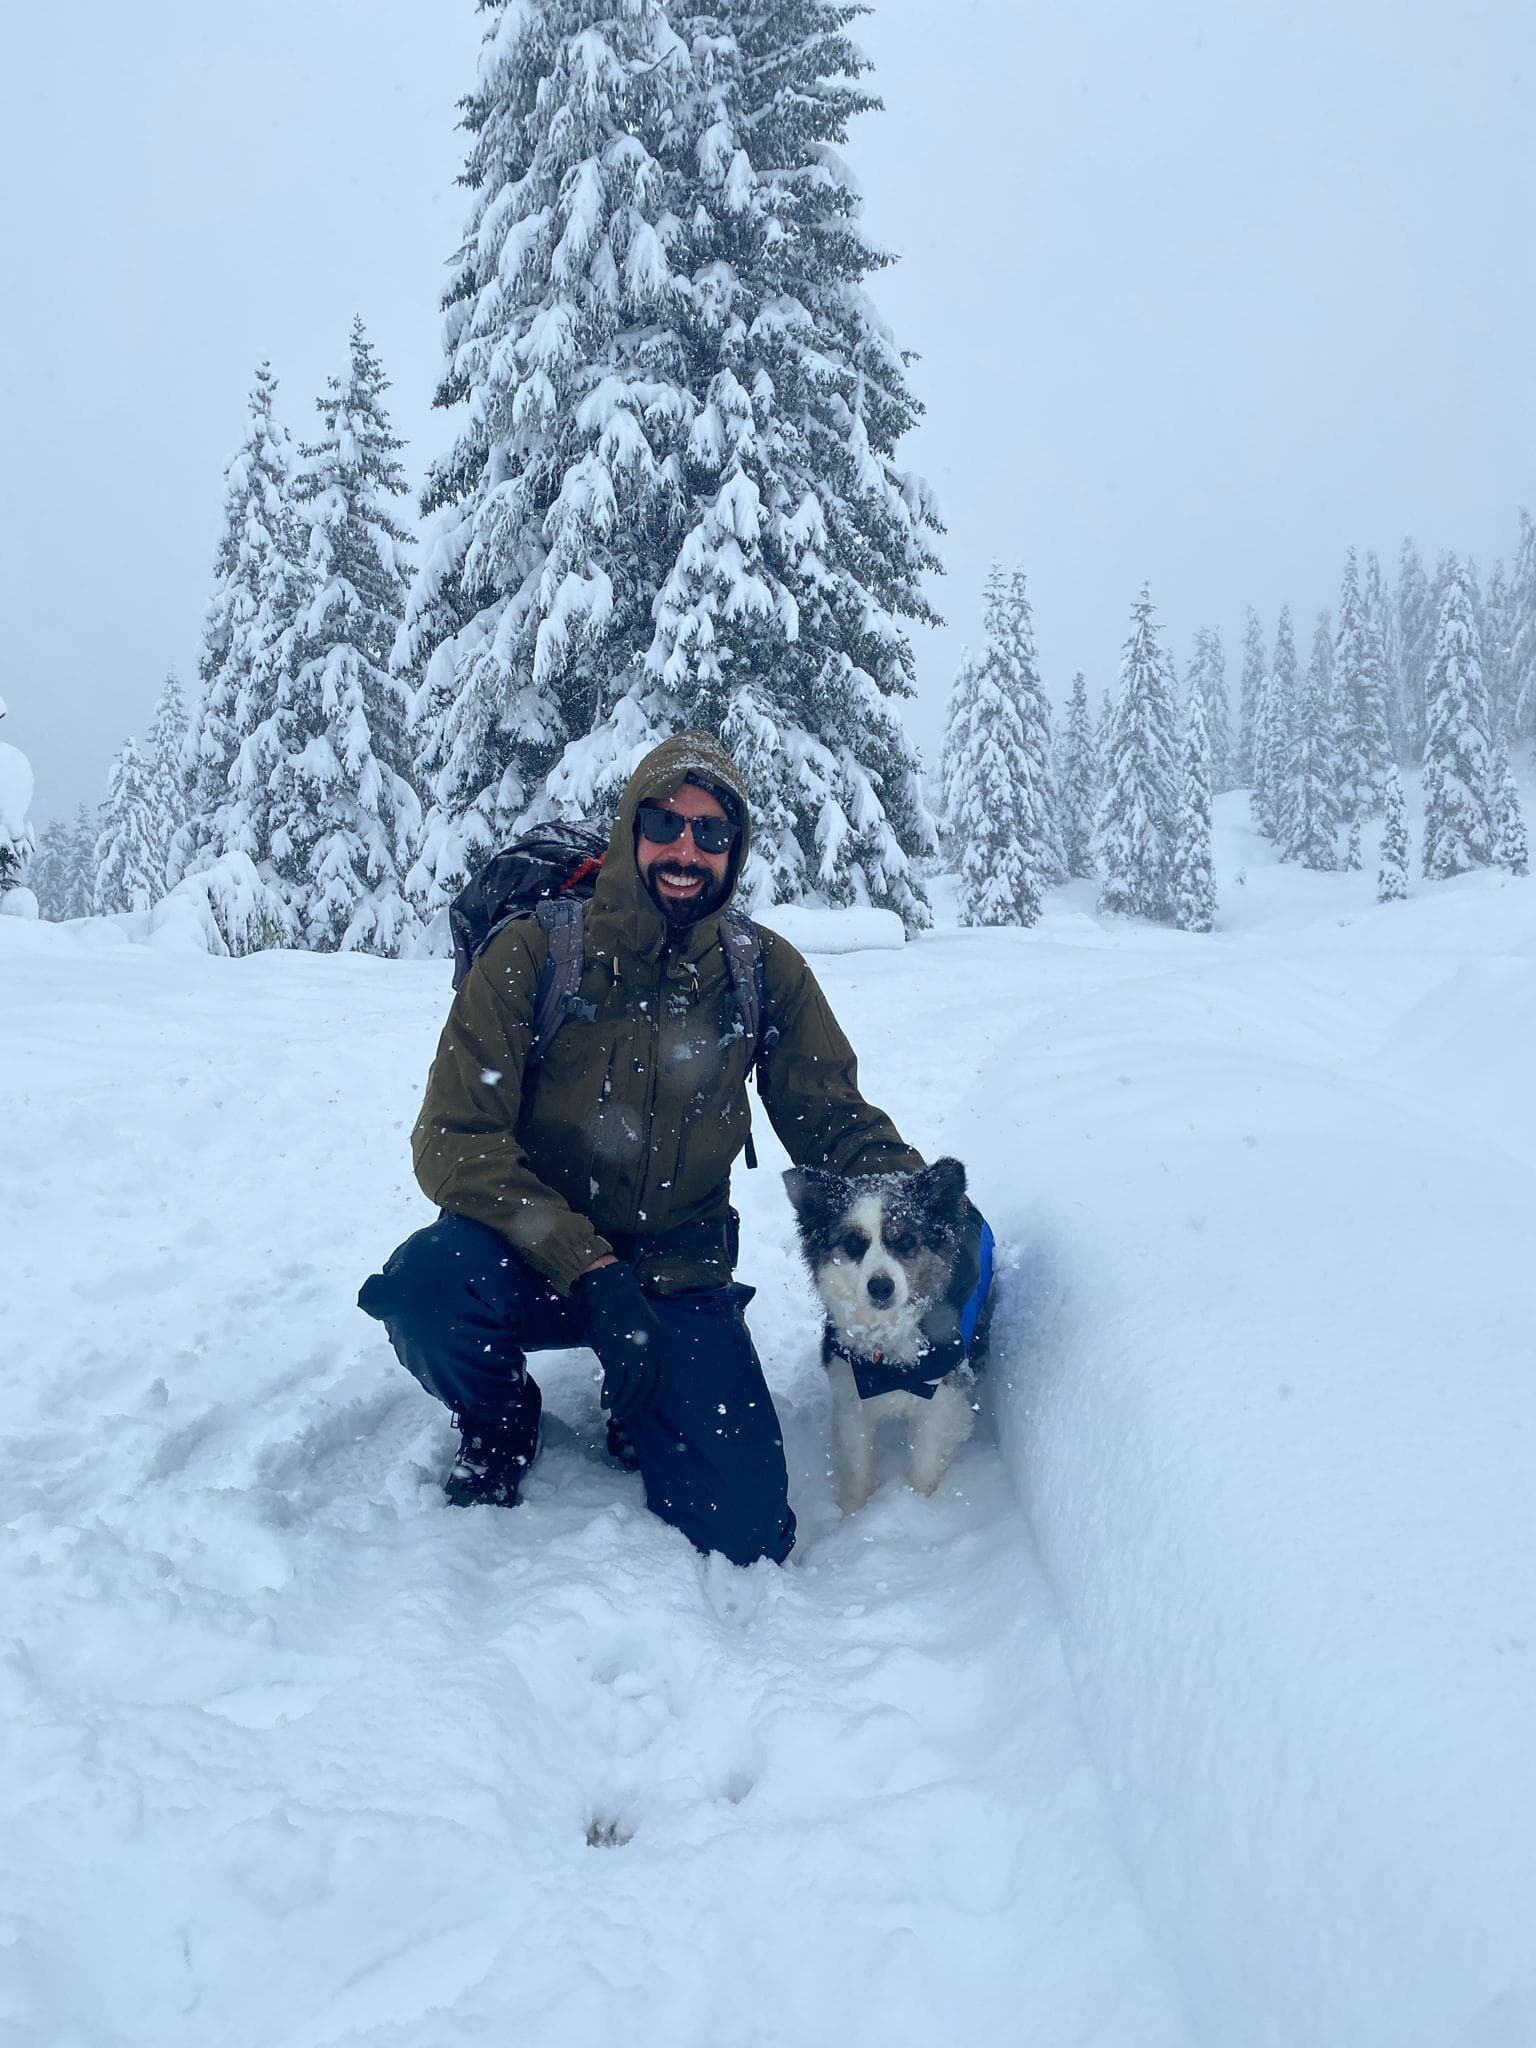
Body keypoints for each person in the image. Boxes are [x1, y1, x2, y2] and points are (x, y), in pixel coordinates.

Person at [359, 731, 956, 1566]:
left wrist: (914, 1198)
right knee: (424, 1293)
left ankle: (641, 1400)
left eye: (711, 833)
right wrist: (586, 1266)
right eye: (664, 823)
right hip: (532, 1253)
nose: (686, 849)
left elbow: (832, 1116)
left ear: (735, 851)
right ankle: (501, 1419)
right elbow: (453, 1140)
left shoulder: (761, 970)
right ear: (628, 830)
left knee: (746, 1531)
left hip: (676, 1271)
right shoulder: (536, 952)